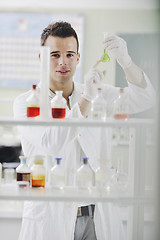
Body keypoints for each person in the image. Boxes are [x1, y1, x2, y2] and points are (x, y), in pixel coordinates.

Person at [13, 21, 155, 240]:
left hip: (96, 217)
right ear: (41, 58)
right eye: (55, 55)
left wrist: (125, 61)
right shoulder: (28, 104)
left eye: (70, 54)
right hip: (51, 217)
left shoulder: (98, 93)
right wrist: (87, 98)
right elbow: (53, 143)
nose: (63, 62)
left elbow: (145, 99)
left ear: (78, 58)